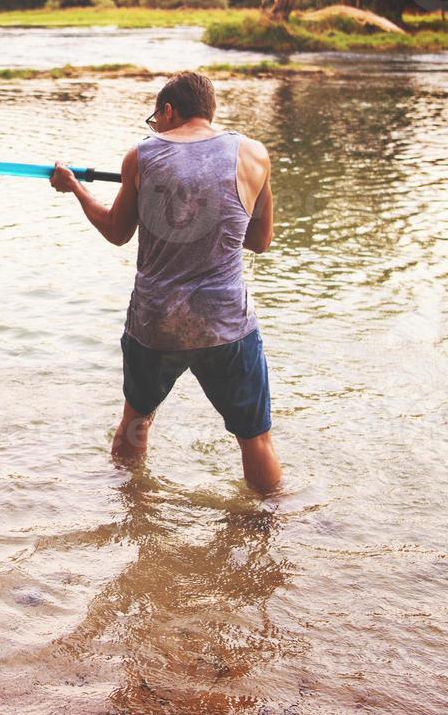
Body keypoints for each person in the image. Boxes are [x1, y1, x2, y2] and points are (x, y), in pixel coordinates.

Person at [50, 71, 282, 494]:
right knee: (255, 439)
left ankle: (131, 512)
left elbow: (117, 232)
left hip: (156, 324)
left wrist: (76, 189)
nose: (154, 129)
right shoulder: (253, 154)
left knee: (135, 423)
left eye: (155, 120)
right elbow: (260, 241)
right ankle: (269, 530)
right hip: (225, 323)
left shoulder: (140, 157)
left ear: (169, 110)